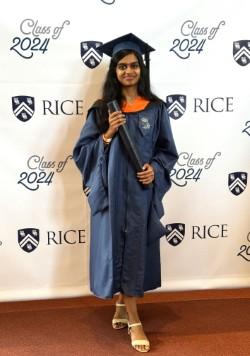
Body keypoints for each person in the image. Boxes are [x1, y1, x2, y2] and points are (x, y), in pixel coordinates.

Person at [73, 33, 178, 353]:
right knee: (115, 250)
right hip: (111, 195)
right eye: (122, 66)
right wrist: (107, 134)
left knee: (133, 252)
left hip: (140, 195)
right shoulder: (104, 110)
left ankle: (124, 307)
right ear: (114, 71)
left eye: (134, 66)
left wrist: (155, 170)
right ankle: (134, 320)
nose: (129, 71)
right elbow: (82, 151)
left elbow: (167, 152)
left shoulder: (156, 109)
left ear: (141, 70)